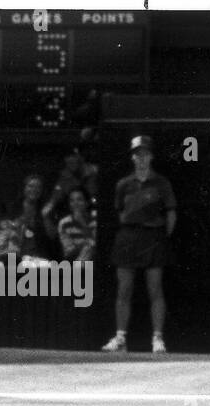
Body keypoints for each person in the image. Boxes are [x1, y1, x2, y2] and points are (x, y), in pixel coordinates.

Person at [103, 135, 177, 354]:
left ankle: (157, 339)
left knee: (155, 288)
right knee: (124, 288)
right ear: (132, 158)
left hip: (153, 237)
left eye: (145, 154)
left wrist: (161, 236)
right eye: (137, 154)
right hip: (127, 237)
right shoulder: (123, 184)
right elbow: (119, 212)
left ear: (151, 156)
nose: (141, 158)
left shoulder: (162, 183)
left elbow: (171, 213)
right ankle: (120, 338)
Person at [15, 174, 56, 262]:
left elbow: (52, 236)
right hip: (17, 256)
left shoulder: (46, 209)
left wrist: (45, 217)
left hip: (39, 257)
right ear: (24, 188)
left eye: (38, 187)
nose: (34, 190)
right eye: (31, 186)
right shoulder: (14, 207)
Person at [57, 187, 95, 263]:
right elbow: (69, 251)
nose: (75, 203)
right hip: (76, 260)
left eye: (79, 200)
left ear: (87, 202)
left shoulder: (95, 219)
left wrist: (82, 223)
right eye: (72, 200)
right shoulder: (64, 223)